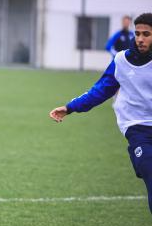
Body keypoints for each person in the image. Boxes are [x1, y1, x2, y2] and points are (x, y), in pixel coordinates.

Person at [50, 13, 152, 214]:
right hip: (137, 127)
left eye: (146, 34)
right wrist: (70, 107)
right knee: (149, 169)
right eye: (138, 33)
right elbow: (100, 90)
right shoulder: (121, 61)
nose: (140, 38)